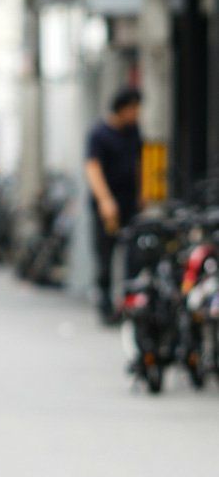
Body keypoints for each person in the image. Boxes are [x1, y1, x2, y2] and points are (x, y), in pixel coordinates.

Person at [84, 87, 143, 325]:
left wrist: (142, 193)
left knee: (134, 256)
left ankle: (128, 305)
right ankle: (105, 307)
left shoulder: (133, 131)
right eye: (134, 108)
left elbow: (139, 162)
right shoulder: (99, 134)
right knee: (105, 259)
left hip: (130, 204)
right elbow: (93, 168)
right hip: (107, 207)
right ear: (122, 108)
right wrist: (105, 200)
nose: (136, 114)